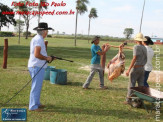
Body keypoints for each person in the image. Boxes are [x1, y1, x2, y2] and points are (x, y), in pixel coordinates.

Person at [28, 22, 53, 111]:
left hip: (36, 66)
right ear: (44, 31)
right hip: (36, 66)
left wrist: (48, 58)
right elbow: (37, 54)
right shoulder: (39, 39)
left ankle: (37, 103)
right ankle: (33, 106)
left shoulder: (38, 38)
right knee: (36, 86)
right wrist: (47, 58)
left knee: (37, 85)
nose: (47, 33)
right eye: (47, 31)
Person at [125, 32, 147, 104]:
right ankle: (140, 100)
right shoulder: (144, 47)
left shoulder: (136, 47)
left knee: (132, 84)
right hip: (142, 68)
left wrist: (128, 70)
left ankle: (128, 100)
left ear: (136, 40)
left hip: (136, 68)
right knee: (141, 85)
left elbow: (134, 58)